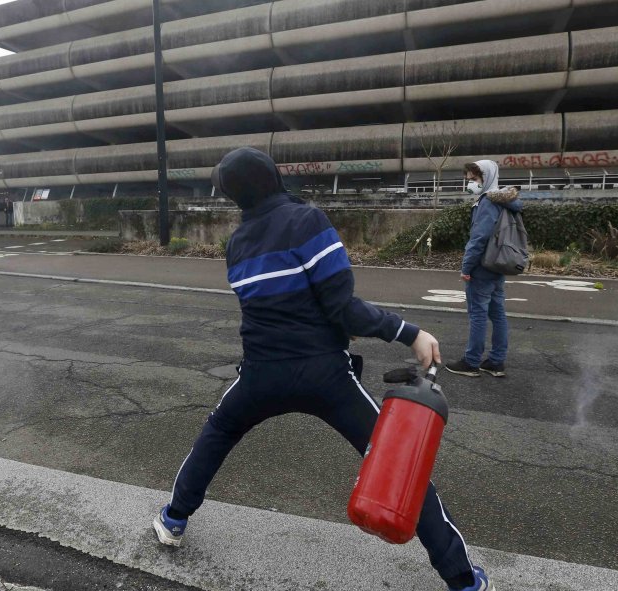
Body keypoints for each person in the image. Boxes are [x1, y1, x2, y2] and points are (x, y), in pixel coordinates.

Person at [153, 147, 494, 591]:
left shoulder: (236, 244)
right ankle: (463, 579)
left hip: (261, 374)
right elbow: (342, 308)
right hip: (324, 375)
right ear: (274, 177)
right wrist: (410, 333)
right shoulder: (307, 221)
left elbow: (271, 307)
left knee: (217, 434)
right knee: (393, 457)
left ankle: (173, 518)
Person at [445, 160, 522, 378]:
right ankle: (496, 362)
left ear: (486, 178)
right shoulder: (505, 202)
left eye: (474, 179)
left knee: (478, 314)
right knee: (497, 314)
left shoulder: (488, 203)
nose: (470, 183)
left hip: (482, 266)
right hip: (498, 264)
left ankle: (471, 362)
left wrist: (466, 267)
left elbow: (478, 239)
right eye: (468, 179)